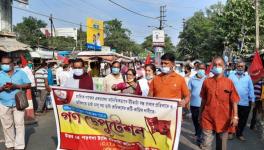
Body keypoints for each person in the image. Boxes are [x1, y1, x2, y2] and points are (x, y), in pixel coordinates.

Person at [199, 57, 240, 150]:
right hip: (207, 118)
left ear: (224, 67)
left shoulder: (229, 82)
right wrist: (200, 115)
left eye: (220, 65)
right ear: (212, 67)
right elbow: (203, 100)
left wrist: (235, 116)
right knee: (205, 145)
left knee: (221, 147)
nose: (217, 67)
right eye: (215, 65)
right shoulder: (206, 82)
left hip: (224, 119)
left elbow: (234, 100)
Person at [0, 55, 31, 150]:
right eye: (3, 63)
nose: (5, 65)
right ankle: (10, 144)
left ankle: (19, 146)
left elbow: (28, 85)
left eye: (7, 63)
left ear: (13, 64)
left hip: (19, 103)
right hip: (4, 103)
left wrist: (16, 86)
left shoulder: (21, 73)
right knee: (7, 125)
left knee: (19, 124)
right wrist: (2, 88)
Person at [228, 60, 255, 141]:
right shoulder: (231, 76)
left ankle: (239, 134)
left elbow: (251, 89)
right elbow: (227, 87)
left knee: (243, 120)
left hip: (244, 102)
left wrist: (253, 100)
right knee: (232, 118)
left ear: (244, 67)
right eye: (238, 66)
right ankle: (231, 133)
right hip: (232, 102)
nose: (240, 67)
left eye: (242, 66)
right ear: (236, 66)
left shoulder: (248, 77)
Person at [188, 63, 207, 145]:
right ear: (197, 68)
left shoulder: (207, 79)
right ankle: (197, 133)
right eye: (200, 68)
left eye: (203, 69)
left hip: (203, 105)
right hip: (193, 104)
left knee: (200, 121)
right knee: (195, 120)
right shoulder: (192, 79)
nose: (202, 70)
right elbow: (188, 91)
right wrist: (187, 102)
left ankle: (199, 138)